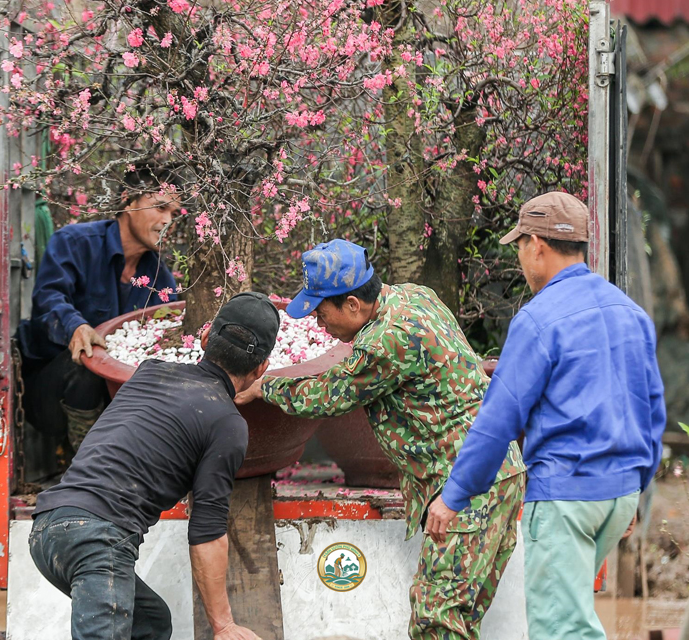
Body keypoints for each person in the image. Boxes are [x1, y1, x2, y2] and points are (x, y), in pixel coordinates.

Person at [235, 239, 526, 640]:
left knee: (436, 621)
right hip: (499, 470)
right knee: (461, 617)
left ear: (353, 304)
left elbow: (329, 396)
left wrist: (265, 389)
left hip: (467, 484)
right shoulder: (414, 296)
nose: (320, 326)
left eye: (322, 314)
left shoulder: (385, 340)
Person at [426, 192, 667, 640]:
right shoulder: (629, 313)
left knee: (564, 631)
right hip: (617, 497)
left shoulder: (539, 320)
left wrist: (454, 494)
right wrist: (636, 485)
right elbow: (651, 412)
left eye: (519, 245)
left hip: (566, 498)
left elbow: (498, 419)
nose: (519, 257)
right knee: (574, 619)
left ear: (536, 244)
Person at [29, 291, 280, 640]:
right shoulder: (227, 423)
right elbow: (207, 531)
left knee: (150, 622)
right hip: (98, 539)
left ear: (206, 337)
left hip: (48, 529)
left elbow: (188, 402)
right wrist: (223, 626)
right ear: (261, 368)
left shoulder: (151, 372)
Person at [17, 165, 180, 452]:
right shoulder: (74, 243)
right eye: (160, 208)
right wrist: (76, 327)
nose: (168, 220)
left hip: (116, 406)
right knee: (89, 360)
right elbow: (48, 297)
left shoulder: (160, 279)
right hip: (50, 396)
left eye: (174, 214)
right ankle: (85, 465)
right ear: (128, 201)